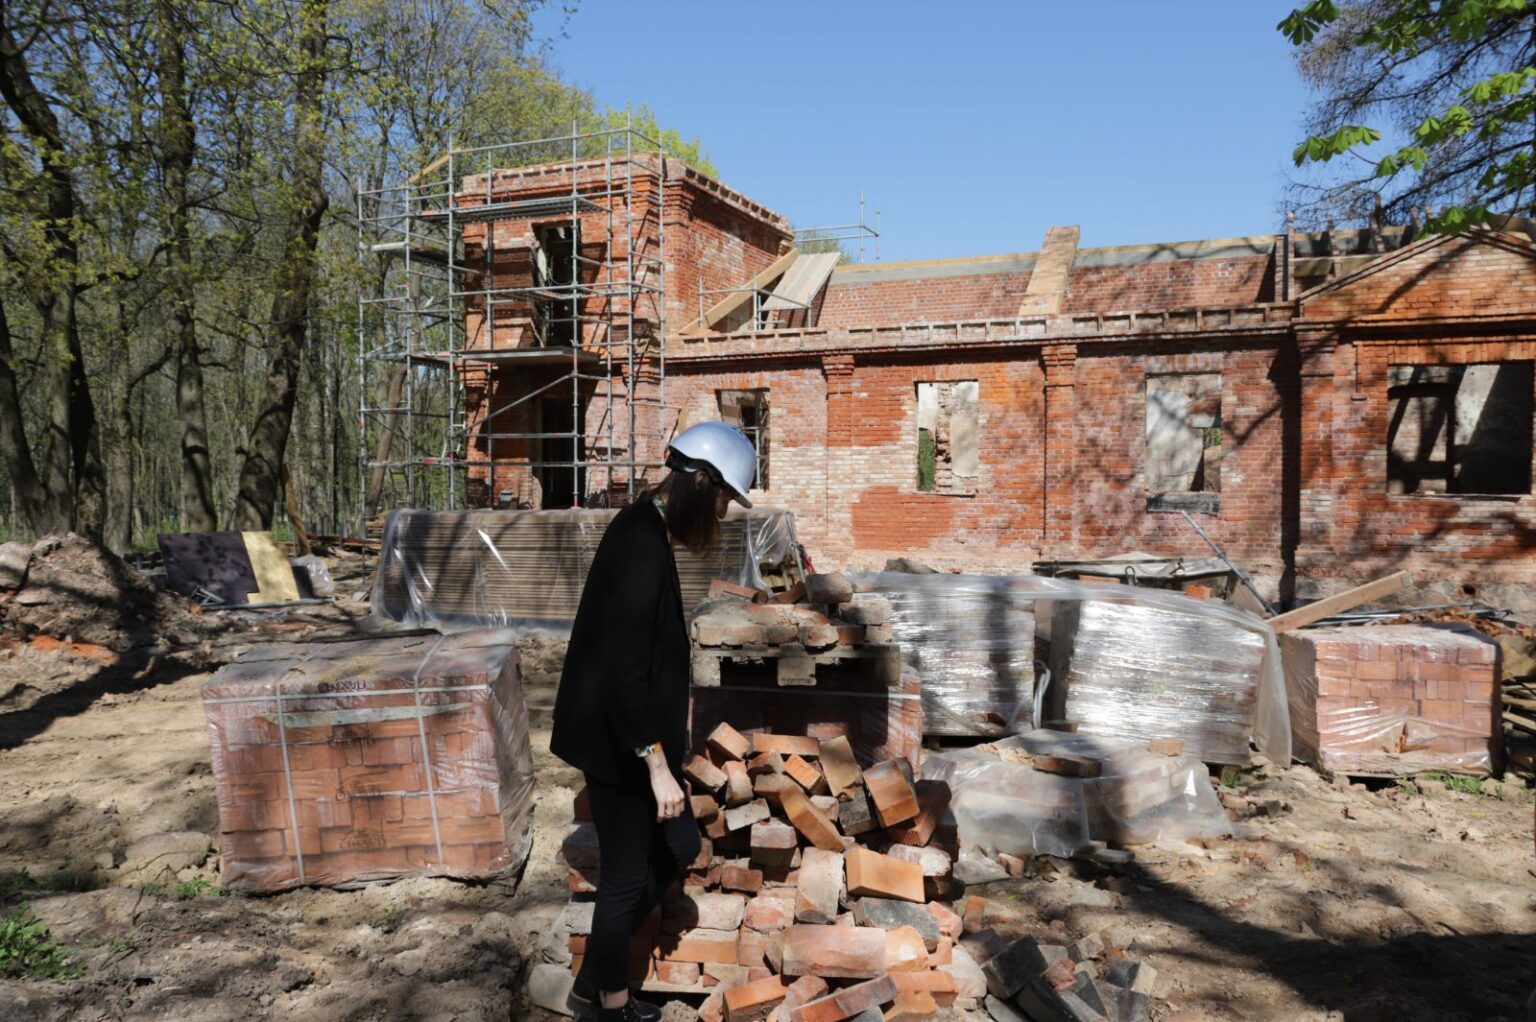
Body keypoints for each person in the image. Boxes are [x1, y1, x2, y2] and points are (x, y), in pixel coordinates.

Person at [550, 421, 758, 1022]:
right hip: (619, 743)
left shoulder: (649, 528)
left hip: (633, 739)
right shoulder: (640, 540)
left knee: (680, 843)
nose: (721, 512)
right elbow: (624, 669)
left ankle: (592, 981)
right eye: (722, 498)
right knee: (623, 879)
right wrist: (657, 765)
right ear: (700, 481)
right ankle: (610, 1006)